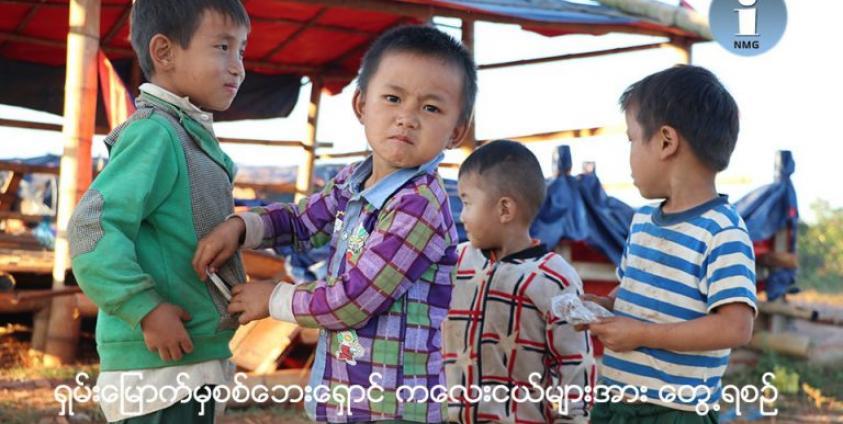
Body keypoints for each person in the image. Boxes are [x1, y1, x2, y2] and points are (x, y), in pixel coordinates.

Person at [192, 24, 477, 423]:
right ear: (361, 105)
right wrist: (242, 228)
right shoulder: (353, 181)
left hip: (392, 409)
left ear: (456, 132)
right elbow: (301, 221)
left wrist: (273, 299)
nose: (407, 118)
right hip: (344, 400)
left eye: (430, 108)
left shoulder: (419, 207)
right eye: (393, 98)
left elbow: (354, 300)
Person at [67, 0, 250, 421]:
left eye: (241, 50)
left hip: (189, 357)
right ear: (164, 52)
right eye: (223, 47)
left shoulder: (188, 135)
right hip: (158, 370)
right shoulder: (155, 133)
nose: (238, 67)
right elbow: (91, 228)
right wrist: (145, 308)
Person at [585, 65, 757, 423]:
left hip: (676, 412)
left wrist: (643, 334)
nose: (630, 153)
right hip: (614, 402)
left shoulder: (722, 231)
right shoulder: (642, 222)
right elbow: (634, 289)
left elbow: (735, 326)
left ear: (666, 141)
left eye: (632, 139)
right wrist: (605, 306)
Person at [443, 140, 595, 423]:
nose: (461, 216)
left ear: (504, 209)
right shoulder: (454, 263)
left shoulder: (554, 277)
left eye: (467, 203)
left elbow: (574, 365)